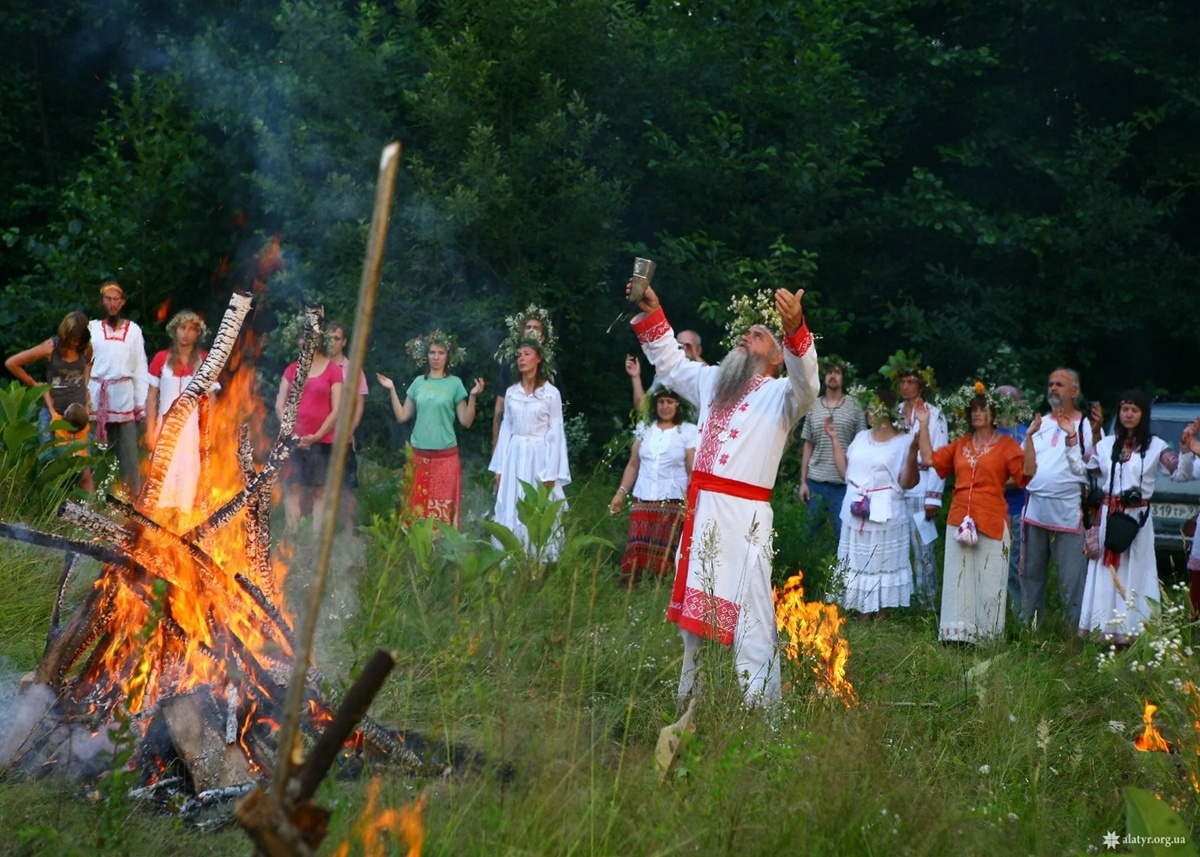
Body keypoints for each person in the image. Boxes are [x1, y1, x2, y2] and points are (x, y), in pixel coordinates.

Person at [629, 279, 819, 707]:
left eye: (758, 336)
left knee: (751, 617)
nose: (745, 337)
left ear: (775, 357)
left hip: (744, 518)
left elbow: (808, 383)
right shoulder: (715, 382)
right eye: (745, 332)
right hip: (703, 511)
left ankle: (762, 712)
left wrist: (796, 330)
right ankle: (689, 702)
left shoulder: (782, 396)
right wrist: (653, 309)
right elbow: (672, 366)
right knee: (692, 627)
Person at [906, 382, 1037, 643]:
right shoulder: (960, 444)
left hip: (991, 518)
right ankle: (956, 636)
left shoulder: (1007, 444)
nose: (977, 413)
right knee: (958, 578)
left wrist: (1030, 438)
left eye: (983, 409)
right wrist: (923, 423)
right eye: (973, 409)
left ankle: (986, 638)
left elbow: (1028, 473)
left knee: (989, 580)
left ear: (993, 413)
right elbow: (930, 459)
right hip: (959, 520)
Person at [1075, 391, 1185, 644]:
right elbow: (1082, 468)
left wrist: (1187, 450)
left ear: (1143, 414)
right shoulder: (1106, 445)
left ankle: (1131, 630)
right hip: (1109, 515)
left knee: (1136, 570)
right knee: (1106, 571)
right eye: (1124, 409)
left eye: (1134, 409)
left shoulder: (1155, 445)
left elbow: (1179, 472)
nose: (1128, 414)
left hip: (1137, 520)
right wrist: (1086, 435)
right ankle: (1103, 629)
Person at [1019, 369, 1105, 629]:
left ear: (1074, 391)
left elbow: (1097, 465)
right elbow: (1025, 464)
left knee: (1071, 577)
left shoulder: (1086, 426)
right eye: (1050, 384)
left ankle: (1072, 634)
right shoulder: (1040, 423)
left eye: (1059, 384)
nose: (1053, 388)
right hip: (1036, 509)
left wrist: (1098, 431)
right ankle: (1030, 628)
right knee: (1031, 573)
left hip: (1068, 510)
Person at [824, 389, 917, 617]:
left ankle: (881, 617)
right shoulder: (860, 438)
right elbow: (846, 472)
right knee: (857, 561)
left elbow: (908, 481)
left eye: (874, 407)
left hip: (885, 511)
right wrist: (834, 439)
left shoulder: (902, 442)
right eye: (869, 407)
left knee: (881, 561)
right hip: (856, 509)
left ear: (885, 411)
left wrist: (914, 453)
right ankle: (861, 613)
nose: (869, 412)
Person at [376, 330, 483, 529]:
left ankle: (440, 553)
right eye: (432, 352)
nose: (436, 357)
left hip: (446, 456)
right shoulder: (418, 382)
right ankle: (415, 552)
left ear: (448, 356)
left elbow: (466, 422)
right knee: (416, 507)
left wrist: (474, 396)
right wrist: (391, 389)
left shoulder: (455, 384)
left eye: (441, 353)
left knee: (440, 509)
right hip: (419, 455)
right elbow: (402, 416)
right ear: (426, 355)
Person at [488, 338, 570, 560]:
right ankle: (510, 556)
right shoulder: (512, 392)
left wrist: (552, 472)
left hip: (539, 456)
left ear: (538, 358)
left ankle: (537, 557)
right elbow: (506, 430)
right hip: (514, 455)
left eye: (526, 353)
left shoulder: (551, 393)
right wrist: (499, 468)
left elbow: (556, 433)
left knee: (535, 504)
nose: (521, 358)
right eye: (519, 355)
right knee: (512, 499)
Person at [608, 386, 698, 587]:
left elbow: (691, 469)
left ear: (678, 405)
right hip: (643, 496)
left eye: (669, 402)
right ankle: (632, 587)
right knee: (637, 543)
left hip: (672, 499)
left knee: (667, 547)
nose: (665, 406)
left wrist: (691, 500)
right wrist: (620, 494)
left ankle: (661, 588)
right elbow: (633, 464)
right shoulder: (645, 429)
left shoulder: (688, 431)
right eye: (661, 402)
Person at [4, 310, 94, 490]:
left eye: (79, 338)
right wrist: (33, 384)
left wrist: (85, 389)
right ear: (65, 334)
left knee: (84, 471)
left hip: (78, 417)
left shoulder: (86, 348)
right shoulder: (51, 348)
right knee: (51, 468)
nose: (75, 342)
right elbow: (12, 363)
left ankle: (89, 513)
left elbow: (88, 364)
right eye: (72, 338)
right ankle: (52, 512)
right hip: (54, 415)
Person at [887, 355, 948, 611]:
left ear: (922, 386)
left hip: (923, 488)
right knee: (897, 547)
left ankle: (928, 605)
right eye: (903, 381)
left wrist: (934, 496)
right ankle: (901, 601)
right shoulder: (893, 413)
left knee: (924, 551)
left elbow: (940, 453)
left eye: (912, 381)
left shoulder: (934, 415)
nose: (906, 386)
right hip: (896, 488)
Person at [145, 310, 216, 517]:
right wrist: (150, 430)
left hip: (193, 431)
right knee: (161, 477)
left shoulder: (205, 360)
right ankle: (160, 524)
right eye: (182, 328)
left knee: (189, 474)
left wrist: (208, 432)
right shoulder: (161, 358)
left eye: (192, 329)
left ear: (198, 334)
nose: (186, 333)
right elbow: (151, 397)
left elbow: (212, 399)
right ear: (174, 331)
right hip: (165, 428)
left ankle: (183, 523)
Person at [274, 323, 343, 534]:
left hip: (322, 441)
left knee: (320, 490)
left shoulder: (332, 370)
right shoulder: (292, 369)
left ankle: (316, 534)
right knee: (293, 486)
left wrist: (317, 436)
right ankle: (292, 532)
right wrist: (291, 433)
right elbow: (279, 404)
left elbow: (337, 408)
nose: (304, 343)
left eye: (309, 339)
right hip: (293, 440)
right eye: (302, 339)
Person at [798, 355, 867, 545]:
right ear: (823, 376)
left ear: (843, 377)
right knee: (808, 536)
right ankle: (804, 571)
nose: (833, 376)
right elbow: (808, 444)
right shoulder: (813, 406)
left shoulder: (855, 406)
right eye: (829, 372)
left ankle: (842, 574)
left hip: (844, 484)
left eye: (837, 372)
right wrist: (803, 481)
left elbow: (863, 443)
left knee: (843, 537)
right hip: (816, 481)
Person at [88, 282, 148, 495]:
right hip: (96, 399)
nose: (112, 304)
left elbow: (140, 368)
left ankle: (132, 504)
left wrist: (141, 405)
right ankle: (88, 500)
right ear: (102, 301)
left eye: (116, 299)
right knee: (91, 454)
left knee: (129, 456)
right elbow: (84, 364)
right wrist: (83, 395)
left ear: (122, 302)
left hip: (124, 399)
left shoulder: (133, 331)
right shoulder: (92, 328)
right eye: (108, 299)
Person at [327, 322, 370, 534]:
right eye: (329, 337)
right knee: (316, 486)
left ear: (343, 342)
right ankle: (318, 530)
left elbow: (359, 406)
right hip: (318, 436)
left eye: (337, 338)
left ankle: (349, 530)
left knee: (346, 487)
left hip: (342, 436)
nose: (332, 342)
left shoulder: (353, 370)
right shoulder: (317, 366)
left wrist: (349, 431)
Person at [492, 306, 554, 449]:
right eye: (528, 327)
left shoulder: (552, 369)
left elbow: (555, 416)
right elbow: (500, 408)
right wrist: (496, 444)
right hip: (513, 440)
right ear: (521, 334)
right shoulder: (509, 367)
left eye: (536, 328)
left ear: (543, 337)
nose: (532, 330)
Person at [627, 329, 708, 409]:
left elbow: (710, 379)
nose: (684, 350)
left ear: (698, 350)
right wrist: (635, 377)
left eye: (688, 346)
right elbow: (642, 408)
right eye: (680, 346)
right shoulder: (664, 377)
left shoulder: (704, 377)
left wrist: (695, 356)